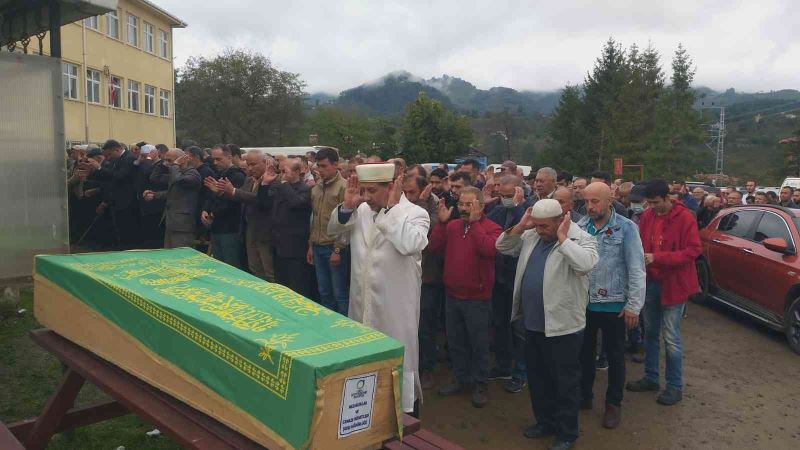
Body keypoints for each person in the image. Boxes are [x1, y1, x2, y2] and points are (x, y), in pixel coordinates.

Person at [328, 164, 430, 415]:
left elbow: (411, 244)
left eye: (372, 190)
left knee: (397, 359)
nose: (367, 196)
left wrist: (392, 210)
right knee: (363, 361)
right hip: (362, 302)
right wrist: (347, 207)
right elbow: (335, 233)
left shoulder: (415, 213)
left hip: (395, 307)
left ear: (392, 186)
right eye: (363, 190)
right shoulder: (362, 209)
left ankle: (402, 413)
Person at [496, 199, 598, 450]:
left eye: (544, 226)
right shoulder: (531, 236)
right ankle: (545, 422)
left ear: (561, 219)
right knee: (539, 378)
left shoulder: (580, 238)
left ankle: (566, 434)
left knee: (565, 382)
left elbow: (585, 264)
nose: (539, 231)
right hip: (532, 323)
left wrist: (563, 239)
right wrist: (521, 226)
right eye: (537, 225)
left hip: (563, 327)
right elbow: (502, 246)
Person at [576, 183, 645, 429]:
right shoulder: (580, 227)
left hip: (615, 305)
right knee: (584, 355)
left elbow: (637, 268)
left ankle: (613, 403)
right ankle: (584, 396)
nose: (590, 206)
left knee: (615, 356)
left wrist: (634, 306)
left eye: (595, 201)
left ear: (609, 200)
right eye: (586, 201)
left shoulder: (626, 228)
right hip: (585, 304)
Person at [626, 180, 701, 406]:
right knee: (650, 332)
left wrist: (658, 258)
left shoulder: (685, 217)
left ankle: (674, 386)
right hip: (651, 282)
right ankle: (651, 377)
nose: (652, 207)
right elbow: (639, 244)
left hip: (673, 285)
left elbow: (693, 250)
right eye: (649, 203)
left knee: (671, 337)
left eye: (656, 202)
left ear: (667, 198)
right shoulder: (648, 217)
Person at [429, 187, 502, 408]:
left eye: (469, 204)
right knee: (456, 341)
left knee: (478, 343)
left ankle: (480, 383)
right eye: (461, 204)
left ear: (480, 206)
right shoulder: (452, 226)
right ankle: (461, 379)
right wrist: (441, 223)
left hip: (477, 298)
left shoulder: (492, 228)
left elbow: (489, 250)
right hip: (452, 295)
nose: (463, 208)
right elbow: (433, 247)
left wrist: (476, 223)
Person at [486, 175, 531, 393]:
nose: (504, 199)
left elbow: (526, 229)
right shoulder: (497, 210)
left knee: (519, 329)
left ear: (519, 192)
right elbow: (491, 229)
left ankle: (521, 372)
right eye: (501, 195)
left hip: (519, 277)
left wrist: (517, 207)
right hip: (499, 277)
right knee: (500, 324)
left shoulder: (527, 210)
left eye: (508, 195)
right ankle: (503, 366)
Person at [405, 175, 445, 390]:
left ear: (424, 190)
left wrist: (421, 202)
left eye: (412, 192)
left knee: (424, 326)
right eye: (405, 192)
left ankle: (426, 367)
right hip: (407, 276)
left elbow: (422, 237)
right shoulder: (400, 207)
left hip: (428, 276)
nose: (407, 197)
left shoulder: (434, 211)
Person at [216, 150, 275, 281]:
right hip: (249, 229)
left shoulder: (272, 180)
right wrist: (222, 192)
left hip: (265, 231)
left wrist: (233, 191)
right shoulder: (249, 180)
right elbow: (240, 197)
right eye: (248, 164)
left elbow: (258, 199)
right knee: (254, 267)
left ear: (265, 163)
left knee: (269, 270)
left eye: (253, 164)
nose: (250, 168)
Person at [258, 158, 314, 297]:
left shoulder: (305, 189)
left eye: (285, 171)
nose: (282, 175)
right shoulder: (279, 187)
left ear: (296, 172)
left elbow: (296, 203)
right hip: (278, 243)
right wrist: (265, 183)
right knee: (281, 284)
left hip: (295, 246)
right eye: (280, 171)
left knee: (297, 285)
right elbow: (263, 204)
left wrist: (284, 184)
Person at [307, 147, 349, 314]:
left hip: (334, 247)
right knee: (324, 292)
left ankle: (346, 329)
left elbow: (346, 223)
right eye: (318, 166)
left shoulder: (343, 188)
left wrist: (338, 249)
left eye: (324, 166)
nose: (321, 170)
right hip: (318, 245)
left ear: (335, 164)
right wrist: (310, 245)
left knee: (340, 293)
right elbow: (314, 218)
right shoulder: (317, 187)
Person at [143, 149, 201, 248]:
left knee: (182, 256)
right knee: (169, 255)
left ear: (183, 159)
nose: (167, 163)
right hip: (171, 222)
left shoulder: (192, 174)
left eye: (169, 160)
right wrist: (155, 194)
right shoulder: (176, 172)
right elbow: (155, 177)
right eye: (166, 160)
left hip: (183, 224)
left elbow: (178, 180)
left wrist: (175, 165)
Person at [87, 139, 139, 250]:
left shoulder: (129, 159)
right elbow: (108, 178)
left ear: (117, 149)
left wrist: (99, 168)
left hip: (127, 202)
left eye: (109, 155)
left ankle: (128, 251)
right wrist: (95, 170)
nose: (108, 158)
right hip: (116, 201)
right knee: (119, 231)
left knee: (127, 231)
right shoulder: (116, 160)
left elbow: (120, 176)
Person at [202, 145, 247, 267]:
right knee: (219, 264)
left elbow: (235, 201)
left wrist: (214, 210)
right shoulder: (218, 174)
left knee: (231, 265)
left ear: (229, 157)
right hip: (217, 226)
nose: (215, 162)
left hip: (231, 227)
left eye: (219, 159)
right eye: (214, 159)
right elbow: (210, 195)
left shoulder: (238, 176)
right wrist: (206, 210)